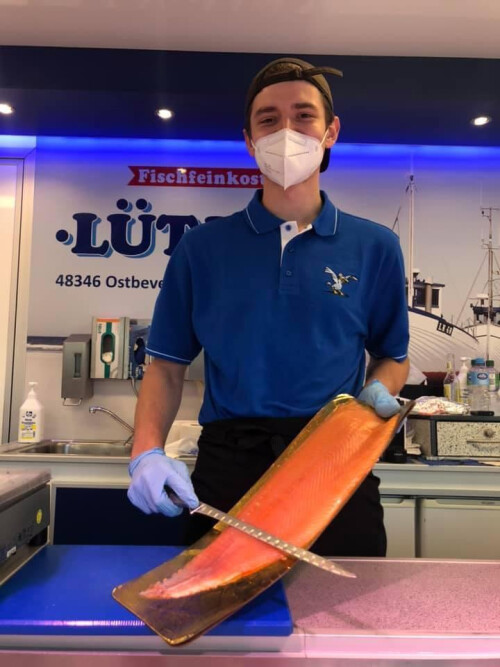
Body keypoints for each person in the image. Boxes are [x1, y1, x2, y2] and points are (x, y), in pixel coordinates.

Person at [128, 57, 410, 557]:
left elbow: (393, 355)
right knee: (220, 604)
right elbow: (166, 367)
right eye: (268, 119)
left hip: (334, 465)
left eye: (303, 116)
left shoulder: (376, 247)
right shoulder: (202, 249)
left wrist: (373, 397)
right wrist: (145, 452)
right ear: (249, 140)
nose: (286, 131)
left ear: (331, 132)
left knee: (344, 604)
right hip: (229, 471)